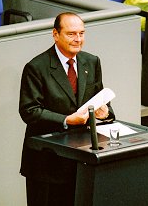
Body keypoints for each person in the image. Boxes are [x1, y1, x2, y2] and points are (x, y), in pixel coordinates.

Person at [19, 12, 115, 206]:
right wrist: (66, 120)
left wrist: (105, 114)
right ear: (56, 34)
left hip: (81, 161)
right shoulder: (36, 67)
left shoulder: (92, 62)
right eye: (71, 34)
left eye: (81, 33)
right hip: (47, 164)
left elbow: (103, 102)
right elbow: (29, 111)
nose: (78, 39)